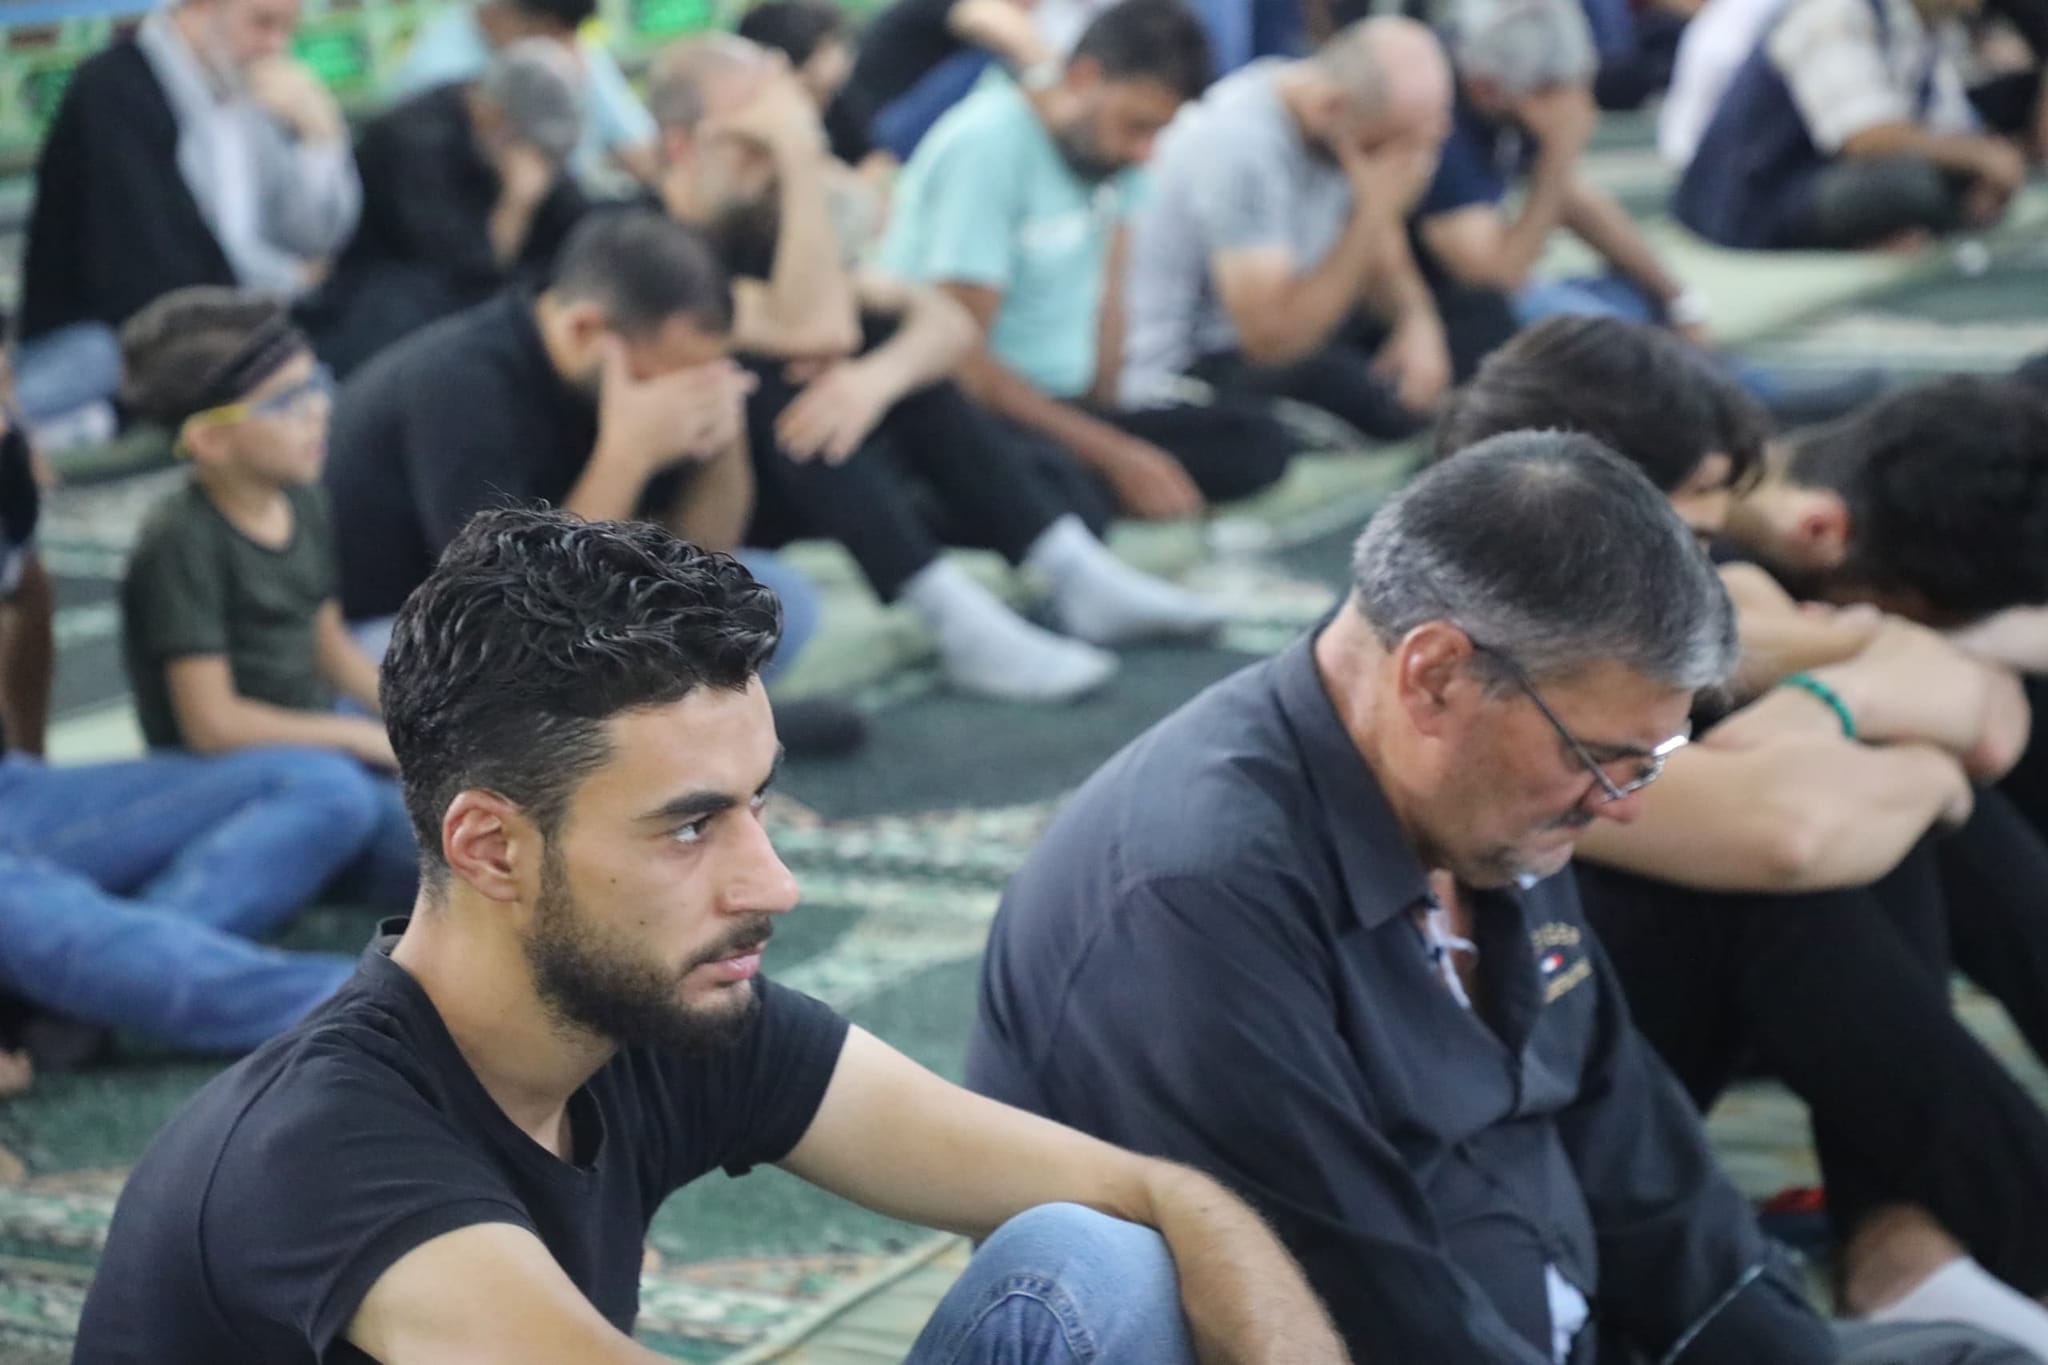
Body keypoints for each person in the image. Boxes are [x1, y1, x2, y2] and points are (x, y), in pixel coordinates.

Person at [71, 505, 1351, 1365]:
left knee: (1087, 1262)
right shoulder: (321, 1150)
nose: (772, 884)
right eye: (689, 827)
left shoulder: (654, 1003)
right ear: (491, 848)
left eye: (756, 806)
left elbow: (1160, 1195)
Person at [967, 431, 2037, 1364]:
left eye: (1648, 761)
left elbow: (1645, 1177)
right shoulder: (1194, 898)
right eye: (1602, 757)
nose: (1620, 806)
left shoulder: (1482, 805)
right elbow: (1356, 1302)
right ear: (1434, 675)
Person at [650, 39, 1228, 703]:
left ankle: (1071, 570)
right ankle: (952, 616)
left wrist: (875, 382)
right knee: (777, 374)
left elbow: (944, 324)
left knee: (890, 352)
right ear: (681, 145)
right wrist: (801, 155)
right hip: (710, 509)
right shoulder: (648, 248)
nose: (773, 158)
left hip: (822, 469)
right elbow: (820, 329)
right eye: (755, 141)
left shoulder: (752, 222)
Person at [319, 210, 859, 755]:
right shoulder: (461, 384)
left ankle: (664, 733)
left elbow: (705, 550)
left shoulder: (633, 367)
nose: (682, 396)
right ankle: (664, 735)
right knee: (539, 668)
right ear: (584, 329)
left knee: (775, 597)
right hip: (408, 632)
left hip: (563, 603)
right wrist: (627, 454)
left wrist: (723, 432)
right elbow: (508, 601)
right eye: (667, 379)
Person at [0, 378, 368, 1062]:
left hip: (15, 795)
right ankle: (397, 1014)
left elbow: (26, 593)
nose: (10, 409)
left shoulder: (9, 464)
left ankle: (81, 992)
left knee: (326, 786)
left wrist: (29, 755)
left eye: (7, 384)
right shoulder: (183, 534)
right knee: (69, 923)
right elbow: (212, 721)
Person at [881, 0, 1301, 526]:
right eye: (1138, 126)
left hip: (1063, 411)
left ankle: (1074, 488)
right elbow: (965, 361)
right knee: (1072, 492)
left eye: (1157, 133)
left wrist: (1112, 425)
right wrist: (1109, 452)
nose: (1146, 152)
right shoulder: (988, 145)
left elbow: (1109, 300)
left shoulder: (1114, 159)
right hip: (970, 415)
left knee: (1255, 444)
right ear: (1083, 78)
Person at [118, 288, 419, 909]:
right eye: (287, 401)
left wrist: (410, 724)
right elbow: (211, 725)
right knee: (426, 848)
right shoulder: (180, 540)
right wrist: (357, 739)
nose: (319, 411)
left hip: (316, 736)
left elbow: (328, 646)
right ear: (209, 440)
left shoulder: (302, 498)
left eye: (316, 385)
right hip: (234, 772)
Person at [1118, 17, 1514, 443]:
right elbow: (1270, 342)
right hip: (1206, 358)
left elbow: (1382, 252)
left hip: (1302, 319)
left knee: (1484, 317)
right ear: (1331, 108)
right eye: (1391, 148)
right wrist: (1373, 211)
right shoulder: (1241, 149)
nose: (1410, 164)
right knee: (1361, 394)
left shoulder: (1338, 115)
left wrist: (1415, 322)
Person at [17, 0, 359, 430]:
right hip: (117, 341)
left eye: (287, 28)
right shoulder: (113, 88)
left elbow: (314, 237)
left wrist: (321, 138)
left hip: (237, 327)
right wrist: (288, 279)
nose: (275, 45)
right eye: (262, 23)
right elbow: (152, 270)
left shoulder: (250, 92)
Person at [1416, 0, 1711, 336]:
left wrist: (1676, 299)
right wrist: (1557, 153)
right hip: (1454, 312)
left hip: (1516, 283)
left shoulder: (1512, 92)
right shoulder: (1442, 126)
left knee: (1642, 299)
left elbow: (1576, 200)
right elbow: (1497, 287)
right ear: (1485, 88)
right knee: (1618, 342)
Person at [304, 38, 591, 377]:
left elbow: (576, 220)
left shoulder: (519, 131)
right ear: (490, 115)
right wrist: (516, 207)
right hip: (382, 307)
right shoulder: (416, 141)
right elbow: (468, 278)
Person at [1671, 0, 2026, 248]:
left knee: (1963, 167)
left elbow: (1949, 125)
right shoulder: (1834, 10)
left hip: (1825, 176)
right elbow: (1863, 137)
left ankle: (1890, 231)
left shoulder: (1924, 27)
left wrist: (1982, 162)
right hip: (1749, 202)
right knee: (1912, 183)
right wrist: (1980, 157)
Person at [390, 0, 660, 188]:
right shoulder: (435, 77)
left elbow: (641, 151)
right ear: (507, 15)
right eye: (554, 34)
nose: (568, 49)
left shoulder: (567, 45)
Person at [822, 0, 1056, 168]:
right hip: (872, 139)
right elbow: (1006, 30)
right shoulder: (963, 10)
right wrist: (1058, 87)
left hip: (889, 135)